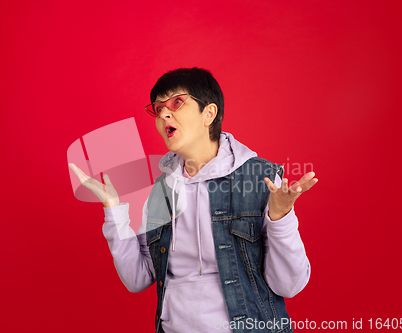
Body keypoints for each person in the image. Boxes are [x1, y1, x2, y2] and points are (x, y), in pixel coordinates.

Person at [69, 67, 318, 333]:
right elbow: (137, 277)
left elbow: (289, 285)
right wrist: (113, 209)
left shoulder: (260, 179)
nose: (164, 113)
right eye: (158, 108)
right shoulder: (160, 193)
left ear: (208, 114)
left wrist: (281, 217)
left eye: (177, 102)